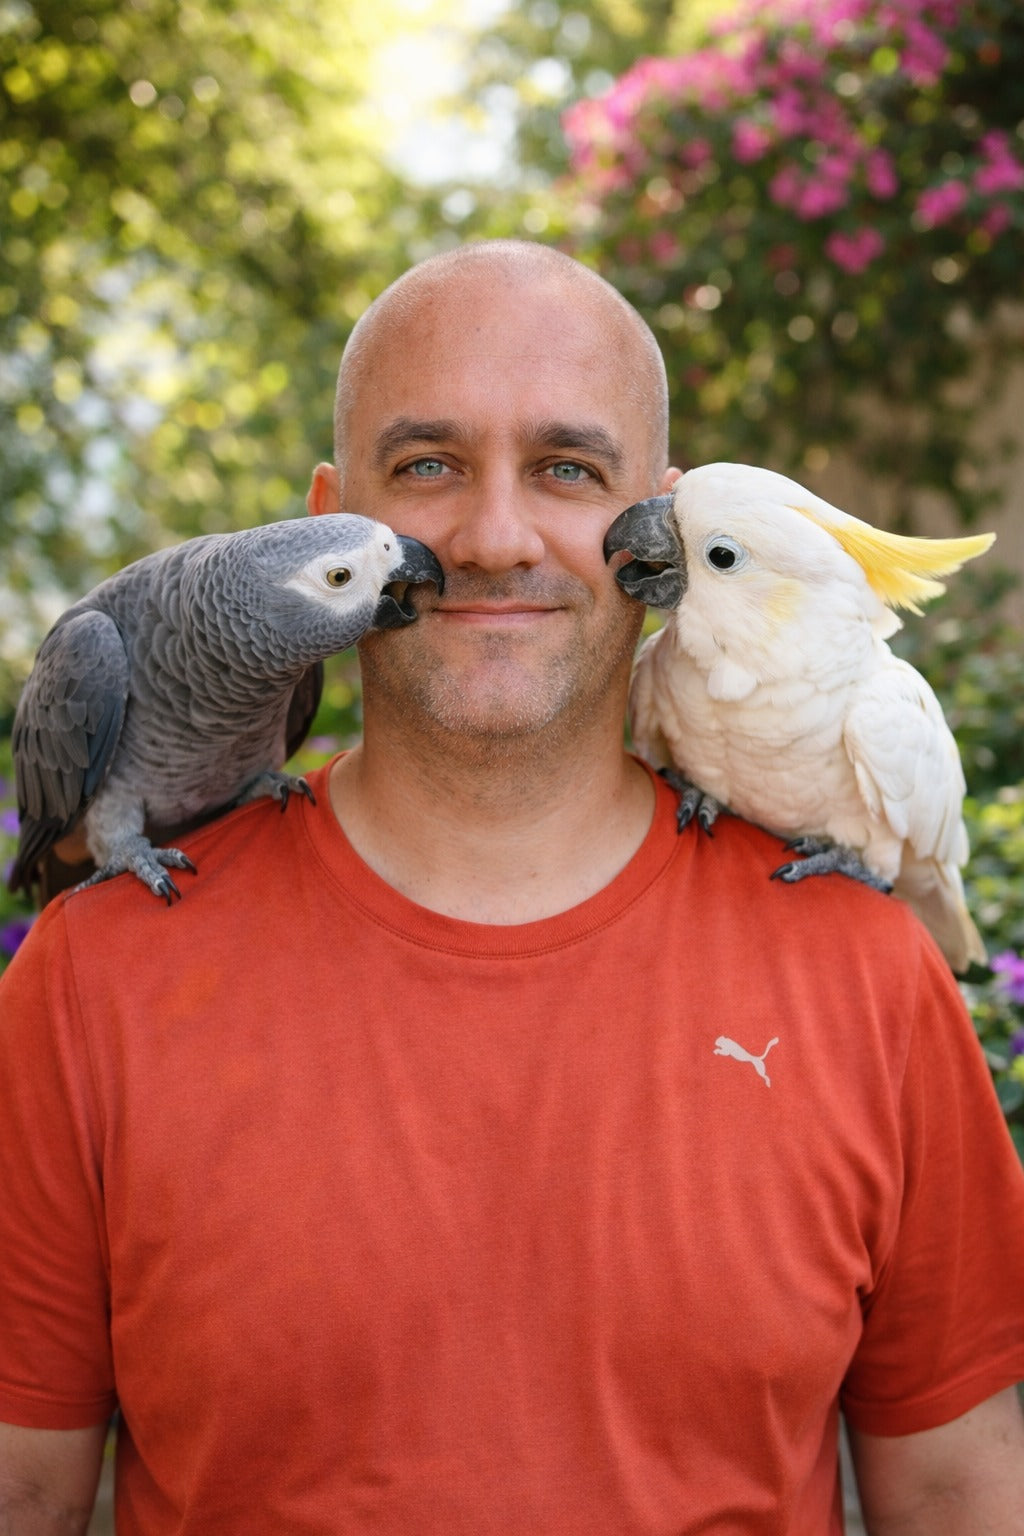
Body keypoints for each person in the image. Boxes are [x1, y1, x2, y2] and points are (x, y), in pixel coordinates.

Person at [1, 239, 1023, 1535]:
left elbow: (958, 1494)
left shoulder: (873, 979)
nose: (491, 538)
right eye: (427, 467)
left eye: (567, 472)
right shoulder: (96, 980)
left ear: (658, 520)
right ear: (328, 513)